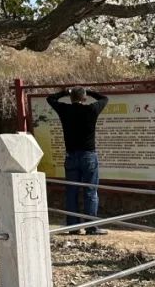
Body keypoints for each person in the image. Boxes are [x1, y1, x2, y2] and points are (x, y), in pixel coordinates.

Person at [46, 85, 109, 235]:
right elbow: (104, 98)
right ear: (85, 98)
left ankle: (73, 227)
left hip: (71, 156)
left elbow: (50, 98)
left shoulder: (65, 110)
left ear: (71, 98)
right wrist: (90, 90)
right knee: (90, 191)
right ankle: (91, 227)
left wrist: (65, 92)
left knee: (71, 192)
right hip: (88, 155)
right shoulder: (91, 110)